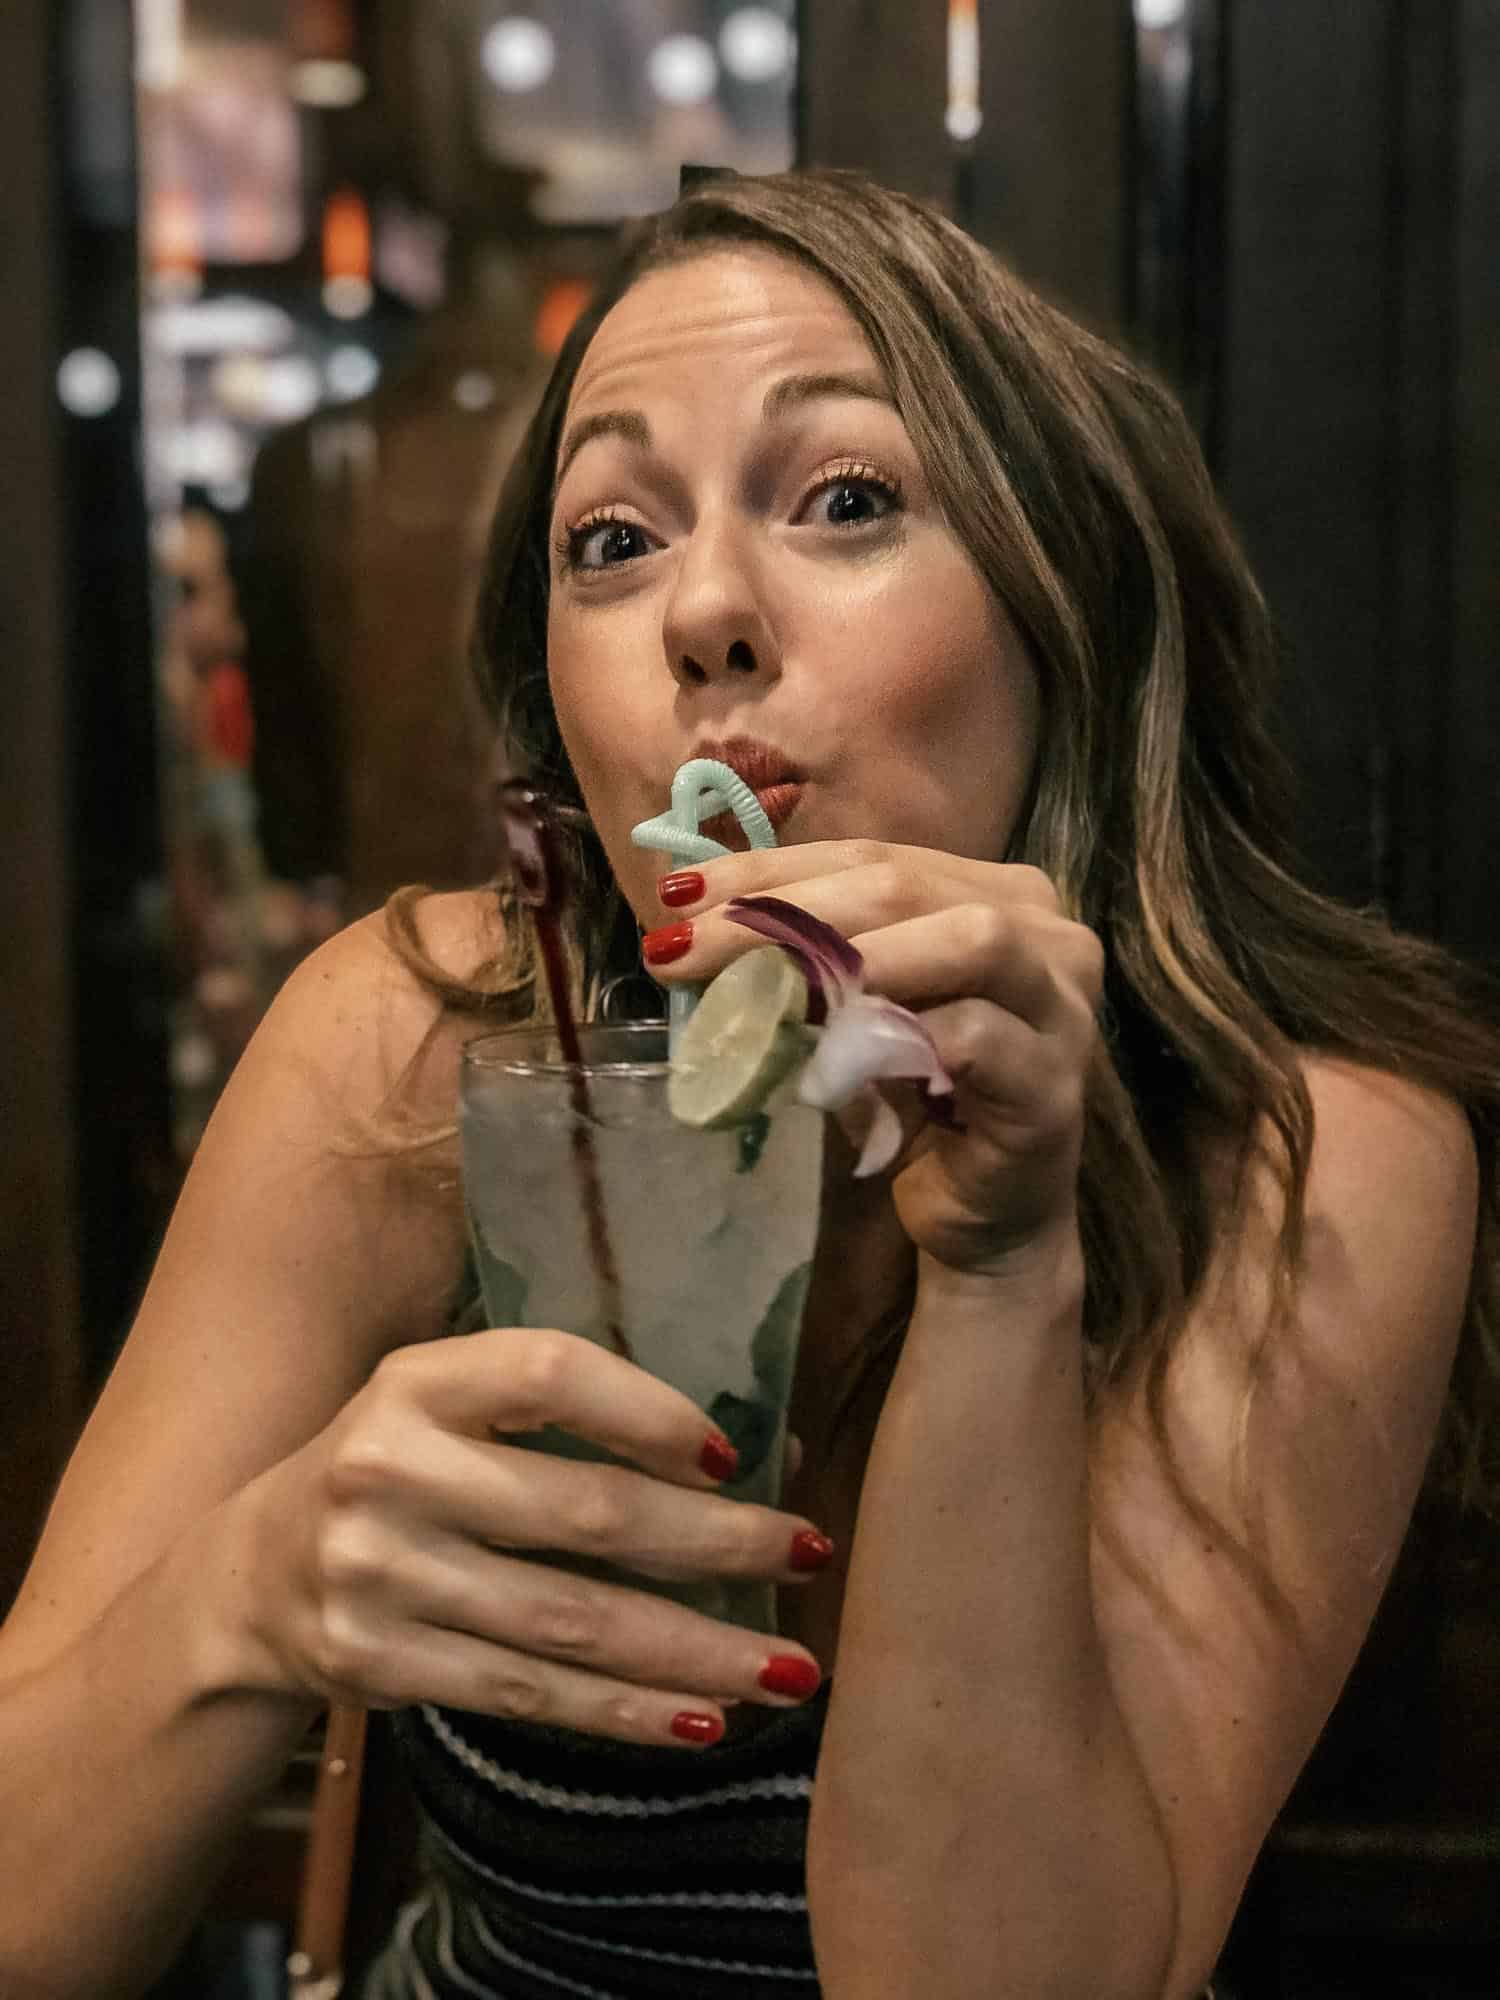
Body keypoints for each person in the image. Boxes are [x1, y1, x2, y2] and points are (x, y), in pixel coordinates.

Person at [2, 168, 1496, 2000]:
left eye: (848, 500)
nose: (703, 609)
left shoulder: (1308, 1157)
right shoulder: (427, 1052)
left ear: (1065, 608)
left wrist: (1007, 1269)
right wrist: (248, 1596)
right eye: (612, 540)